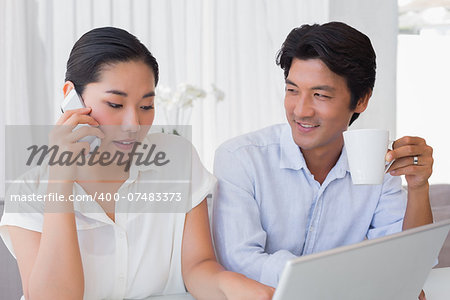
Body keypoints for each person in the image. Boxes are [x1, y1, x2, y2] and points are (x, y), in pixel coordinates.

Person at [0, 27, 274, 300]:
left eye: (146, 107)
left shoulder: (177, 160)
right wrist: (60, 180)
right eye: (115, 104)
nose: (134, 124)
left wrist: (232, 286)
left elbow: (198, 266)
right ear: (71, 97)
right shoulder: (28, 192)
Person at [212, 22, 433, 299]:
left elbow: (407, 264)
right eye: (292, 90)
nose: (301, 110)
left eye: (320, 95)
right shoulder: (241, 158)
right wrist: (342, 278)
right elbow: (239, 261)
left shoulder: (378, 165)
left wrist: (418, 186)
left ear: (361, 100)